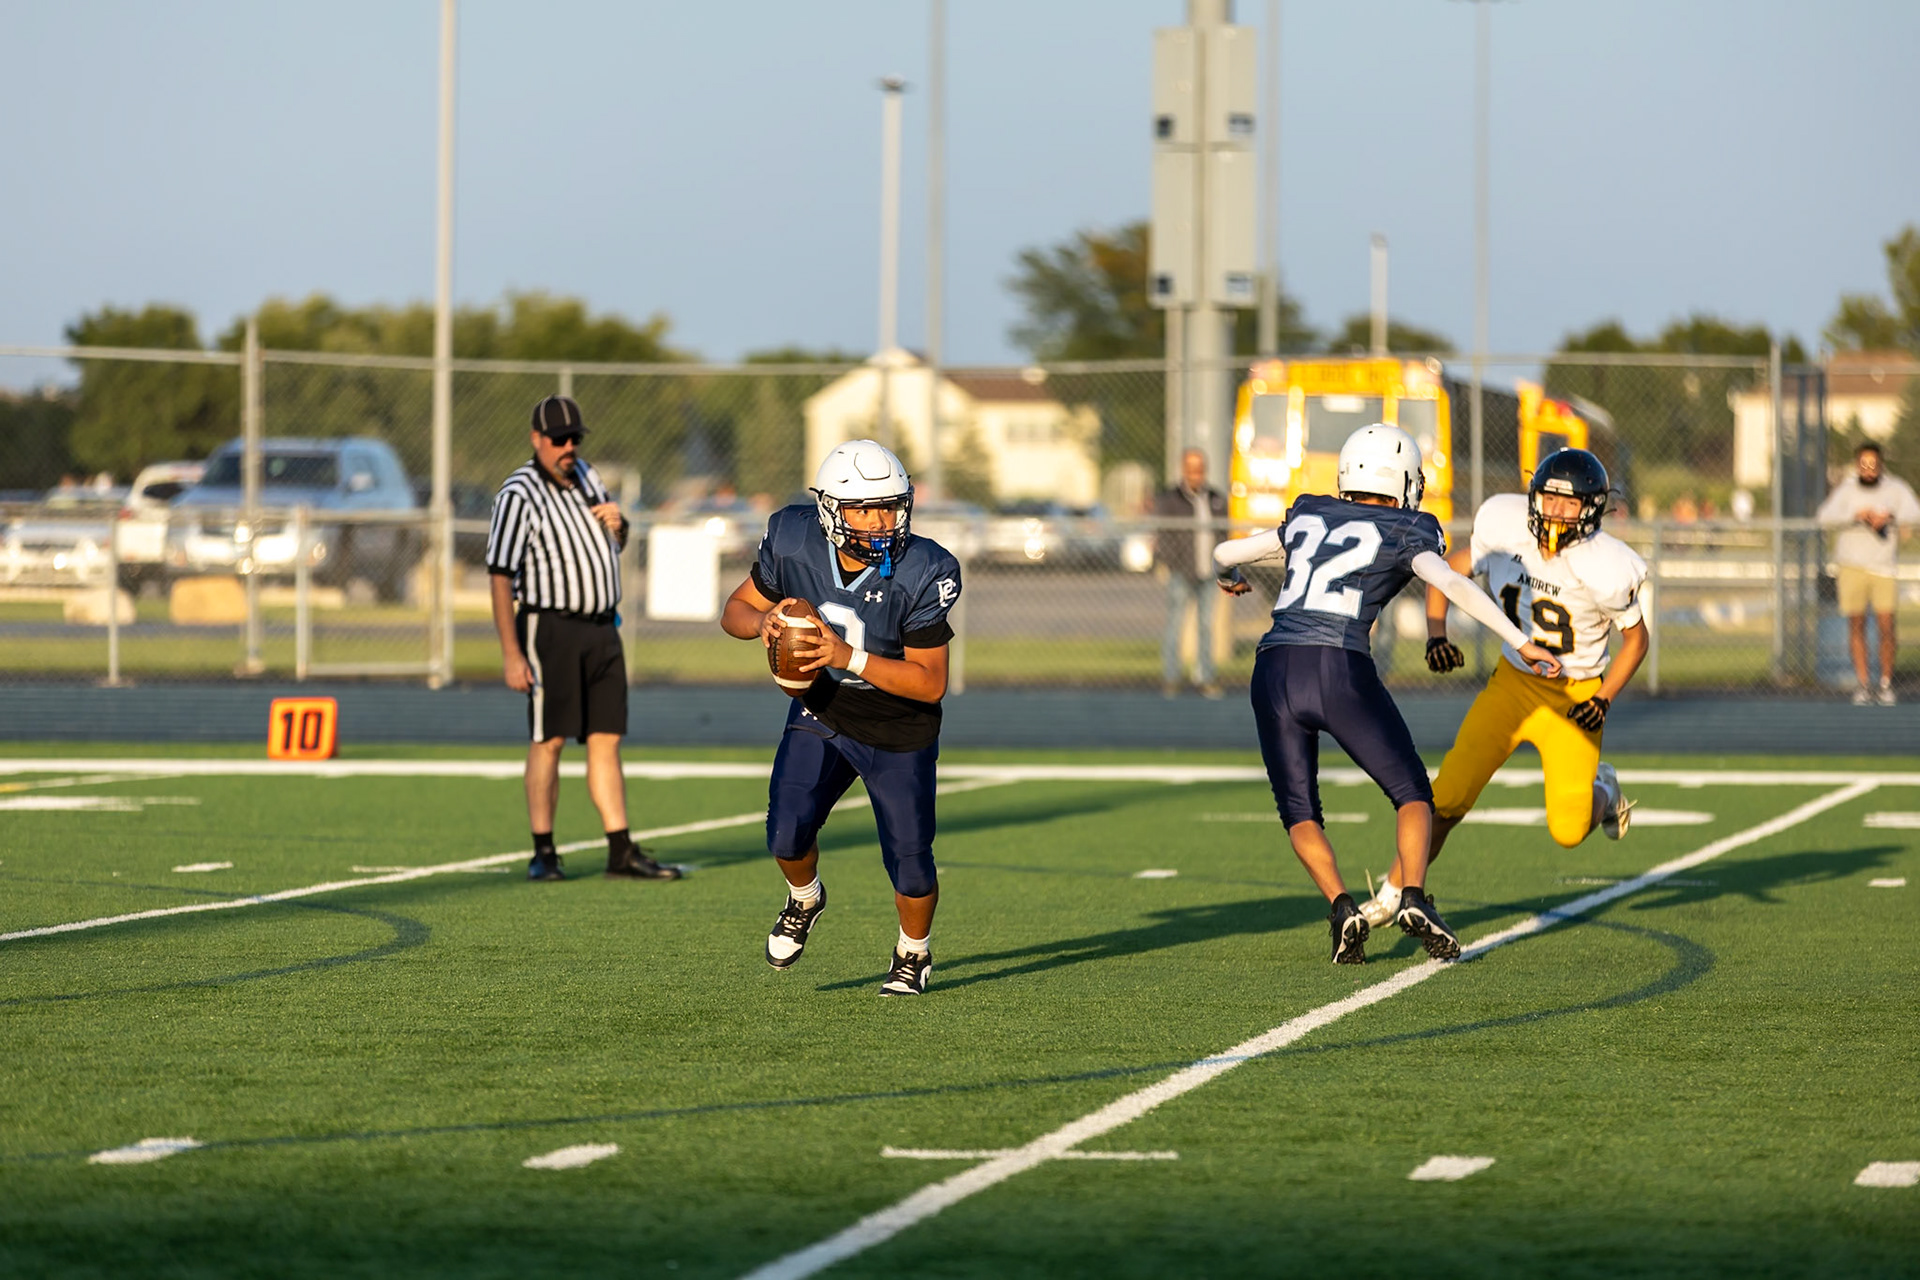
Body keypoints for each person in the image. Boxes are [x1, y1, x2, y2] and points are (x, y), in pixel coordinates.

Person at [1212, 424, 1562, 965]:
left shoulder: (1309, 512)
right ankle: (1414, 897)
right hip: (1339, 667)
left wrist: (1229, 574)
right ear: (1403, 481)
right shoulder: (1407, 527)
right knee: (1413, 794)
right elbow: (1452, 584)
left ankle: (1341, 907)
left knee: (1300, 811)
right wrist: (1521, 640)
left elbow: (1224, 550)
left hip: (1273, 667)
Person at [1361, 448, 1646, 929]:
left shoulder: (1608, 564)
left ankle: (1605, 787)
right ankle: (1394, 892)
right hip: (1513, 685)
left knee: (1569, 830)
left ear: (1592, 509)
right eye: (1550, 499)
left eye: (1570, 503)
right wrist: (1436, 633)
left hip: (1575, 696)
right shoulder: (1505, 525)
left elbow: (1636, 641)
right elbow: (1445, 573)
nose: (1556, 512)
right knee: (1446, 797)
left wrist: (1603, 697)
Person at [720, 439, 963, 996]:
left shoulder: (924, 567)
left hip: (899, 726)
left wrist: (846, 655)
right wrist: (762, 624)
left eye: (890, 507)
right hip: (824, 707)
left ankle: (913, 952)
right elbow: (735, 609)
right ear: (831, 510)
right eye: (865, 509)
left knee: (911, 865)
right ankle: (805, 898)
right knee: (785, 834)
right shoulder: (793, 538)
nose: (881, 522)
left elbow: (931, 683)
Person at [485, 394, 681, 883]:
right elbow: (500, 575)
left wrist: (620, 527)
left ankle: (620, 849)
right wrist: (511, 653)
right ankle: (543, 850)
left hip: (602, 629)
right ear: (537, 439)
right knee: (549, 739)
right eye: (558, 439)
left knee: (606, 738)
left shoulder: (588, 476)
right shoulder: (519, 493)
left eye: (574, 438)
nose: (568, 446)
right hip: (550, 628)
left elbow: (612, 542)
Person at [1816, 441, 1920, 706]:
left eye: (1873, 464)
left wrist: (1889, 516)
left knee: (1887, 626)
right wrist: (1856, 515)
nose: (1869, 469)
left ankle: (1885, 684)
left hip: (1884, 567)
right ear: (1857, 465)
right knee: (1857, 625)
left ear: (1881, 464)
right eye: (1864, 464)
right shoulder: (1847, 490)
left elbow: (1914, 513)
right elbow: (1824, 517)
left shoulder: (1895, 488)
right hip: (1852, 567)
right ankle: (1863, 684)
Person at [1154, 447, 1230, 697]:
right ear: (1183, 470)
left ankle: (1205, 677)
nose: (1195, 474)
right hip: (1181, 571)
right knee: (1175, 624)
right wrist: (1172, 562)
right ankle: (1171, 678)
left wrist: (1222, 565)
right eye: (1191, 469)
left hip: (1208, 572)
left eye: (1199, 469)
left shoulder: (1215, 498)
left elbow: (1223, 533)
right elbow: (1164, 536)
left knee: (1206, 625)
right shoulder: (1170, 499)